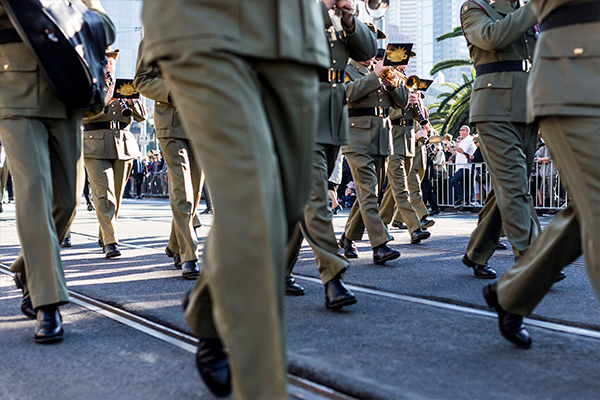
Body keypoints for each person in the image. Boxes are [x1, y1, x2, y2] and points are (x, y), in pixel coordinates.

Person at [141, 0, 329, 397]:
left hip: (291, 26)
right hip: (201, 19)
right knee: (255, 205)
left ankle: (209, 308)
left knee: (287, 206)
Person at [482, 0, 600, 348]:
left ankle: (511, 292)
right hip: (574, 75)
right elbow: (493, 37)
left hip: (561, 80)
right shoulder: (478, 8)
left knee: (585, 212)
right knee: (521, 190)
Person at [0, 0, 115, 344]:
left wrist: (75, 16)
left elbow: (105, 26)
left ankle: (27, 269)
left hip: (66, 90)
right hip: (14, 90)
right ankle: (45, 302)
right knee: (33, 189)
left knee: (68, 201)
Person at [284, 0, 377, 307]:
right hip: (302, 110)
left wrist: (350, 18)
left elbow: (367, 51)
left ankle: (277, 270)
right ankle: (333, 277)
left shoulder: (340, 17)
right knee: (316, 199)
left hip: (333, 116)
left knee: (304, 203)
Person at [460, 0, 540, 279]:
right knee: (515, 185)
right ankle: (536, 260)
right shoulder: (475, 7)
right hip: (493, 107)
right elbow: (491, 37)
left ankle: (476, 252)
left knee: (508, 187)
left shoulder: (529, 8)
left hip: (529, 107)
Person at [134, 38, 201, 279]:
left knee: (193, 191)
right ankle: (189, 254)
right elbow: (141, 80)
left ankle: (174, 245)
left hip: (202, 124)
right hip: (171, 123)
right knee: (183, 189)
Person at [338, 51, 406, 265]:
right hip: (356, 137)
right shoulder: (344, 69)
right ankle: (379, 245)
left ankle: (348, 238)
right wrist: (374, 76)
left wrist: (392, 81)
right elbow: (344, 94)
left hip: (381, 138)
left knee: (370, 193)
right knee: (368, 191)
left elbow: (402, 103)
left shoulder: (381, 71)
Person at [83, 47, 148, 259]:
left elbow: (142, 116)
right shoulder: (88, 84)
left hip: (123, 145)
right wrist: (105, 100)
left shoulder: (125, 84)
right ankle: (112, 242)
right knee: (104, 195)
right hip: (95, 145)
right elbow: (80, 115)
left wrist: (131, 101)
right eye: (104, 62)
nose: (108, 66)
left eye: (111, 62)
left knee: (116, 197)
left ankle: (104, 235)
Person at [378, 62, 432, 245]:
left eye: (407, 60)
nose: (404, 64)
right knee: (401, 189)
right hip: (393, 139)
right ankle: (416, 227)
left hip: (409, 143)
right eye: (401, 61)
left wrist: (418, 103)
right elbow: (385, 112)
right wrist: (404, 102)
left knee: (396, 190)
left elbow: (420, 117)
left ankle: (379, 224)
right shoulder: (386, 82)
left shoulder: (407, 83)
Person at [448, 125, 476, 206]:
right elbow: (456, 153)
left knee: (453, 181)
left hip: (464, 166)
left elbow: (462, 151)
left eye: (462, 130)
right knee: (465, 185)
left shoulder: (468, 140)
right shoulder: (463, 141)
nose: (460, 131)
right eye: (460, 130)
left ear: (467, 131)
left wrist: (454, 146)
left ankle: (461, 199)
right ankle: (466, 203)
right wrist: (450, 147)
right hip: (461, 166)